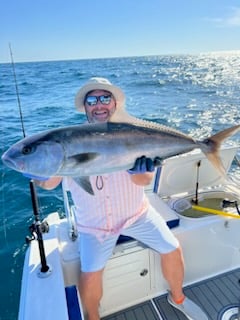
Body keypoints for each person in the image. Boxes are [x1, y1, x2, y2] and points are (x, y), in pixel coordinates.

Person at [32, 77, 208, 320]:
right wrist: (37, 170)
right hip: (93, 226)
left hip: (138, 215)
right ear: (85, 107)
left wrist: (140, 169)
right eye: (92, 100)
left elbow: (143, 181)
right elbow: (49, 183)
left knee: (172, 249)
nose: (99, 104)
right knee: (90, 274)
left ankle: (177, 297)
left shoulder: (133, 134)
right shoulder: (69, 141)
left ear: (114, 104)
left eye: (105, 98)